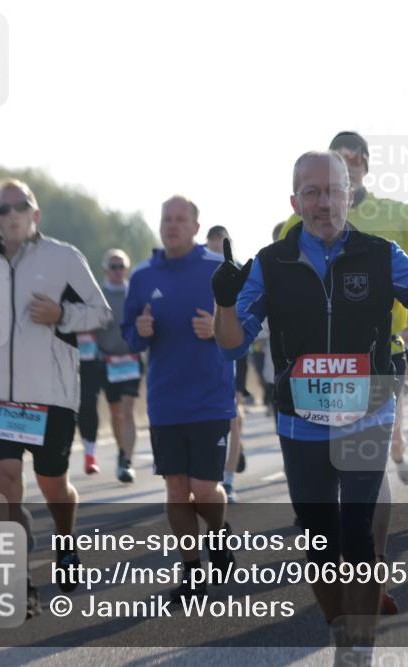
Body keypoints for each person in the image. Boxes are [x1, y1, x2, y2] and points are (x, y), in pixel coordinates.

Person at [214, 151, 408, 659]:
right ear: (294, 202)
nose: (323, 202)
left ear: (350, 196)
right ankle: (340, 626)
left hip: (368, 409)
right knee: (317, 540)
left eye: (333, 191)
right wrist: (223, 302)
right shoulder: (270, 263)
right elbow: (230, 343)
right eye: (311, 192)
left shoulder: (382, 253)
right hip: (299, 418)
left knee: (355, 530)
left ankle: (359, 650)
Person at [278, 132, 408, 610]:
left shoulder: (399, 215)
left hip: (378, 356)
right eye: (336, 162)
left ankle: (373, 565)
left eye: (352, 162)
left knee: (370, 465)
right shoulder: (301, 214)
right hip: (315, 364)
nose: (343, 172)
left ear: (365, 168)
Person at [0, 178, 112, 618]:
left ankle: (65, 546)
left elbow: (101, 313)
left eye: (19, 206)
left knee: (53, 485)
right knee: (4, 478)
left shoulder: (64, 258)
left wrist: (62, 314)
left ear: (35, 213)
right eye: (3, 209)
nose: (11, 215)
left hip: (51, 396)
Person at [121, 195, 237, 603]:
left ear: (195, 226)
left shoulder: (219, 269)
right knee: (176, 490)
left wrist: (219, 325)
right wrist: (141, 330)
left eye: (179, 219)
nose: (171, 225)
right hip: (166, 400)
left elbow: (246, 327)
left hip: (210, 397)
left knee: (205, 490)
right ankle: (191, 571)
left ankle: (219, 534)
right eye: (166, 219)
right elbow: (129, 335)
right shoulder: (142, 276)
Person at [206, 224, 247, 501]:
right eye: (214, 246)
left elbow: (245, 321)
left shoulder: (240, 270)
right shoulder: (198, 271)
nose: (218, 251)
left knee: (234, 419)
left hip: (231, 357)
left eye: (223, 245)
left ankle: (228, 481)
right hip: (202, 361)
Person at [98, 249, 140, 483]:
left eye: (121, 266)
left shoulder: (133, 293)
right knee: (116, 412)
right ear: (106, 269)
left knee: (127, 408)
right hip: (108, 360)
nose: (117, 270)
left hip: (131, 359)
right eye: (113, 266)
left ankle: (127, 459)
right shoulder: (98, 294)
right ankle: (121, 450)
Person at [77, 329, 101, 474]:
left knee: (89, 404)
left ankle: (90, 454)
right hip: (64, 359)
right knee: (75, 409)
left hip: (92, 360)